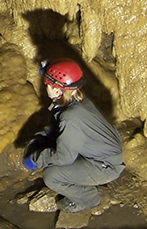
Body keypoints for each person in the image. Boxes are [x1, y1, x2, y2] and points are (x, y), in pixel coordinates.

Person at [22, 58, 124, 213]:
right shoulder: (78, 100)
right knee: (54, 150)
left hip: (105, 165)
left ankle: (89, 199)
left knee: (51, 176)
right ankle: (83, 178)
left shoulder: (70, 118)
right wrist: (40, 138)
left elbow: (64, 157)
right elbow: (56, 127)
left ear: (57, 90)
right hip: (103, 152)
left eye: (48, 85)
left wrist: (37, 158)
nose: (45, 87)